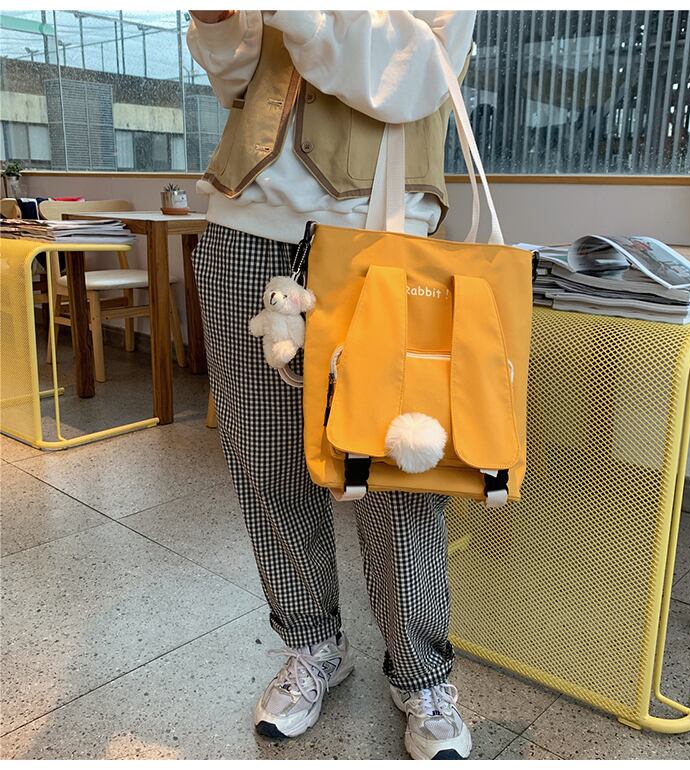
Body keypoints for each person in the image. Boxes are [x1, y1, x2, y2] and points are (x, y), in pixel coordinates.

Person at [187, 10, 477, 760]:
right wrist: (220, 24)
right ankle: (313, 643)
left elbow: (418, 74)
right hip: (246, 229)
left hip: (382, 233)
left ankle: (422, 673)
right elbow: (240, 82)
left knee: (397, 473)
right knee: (267, 460)